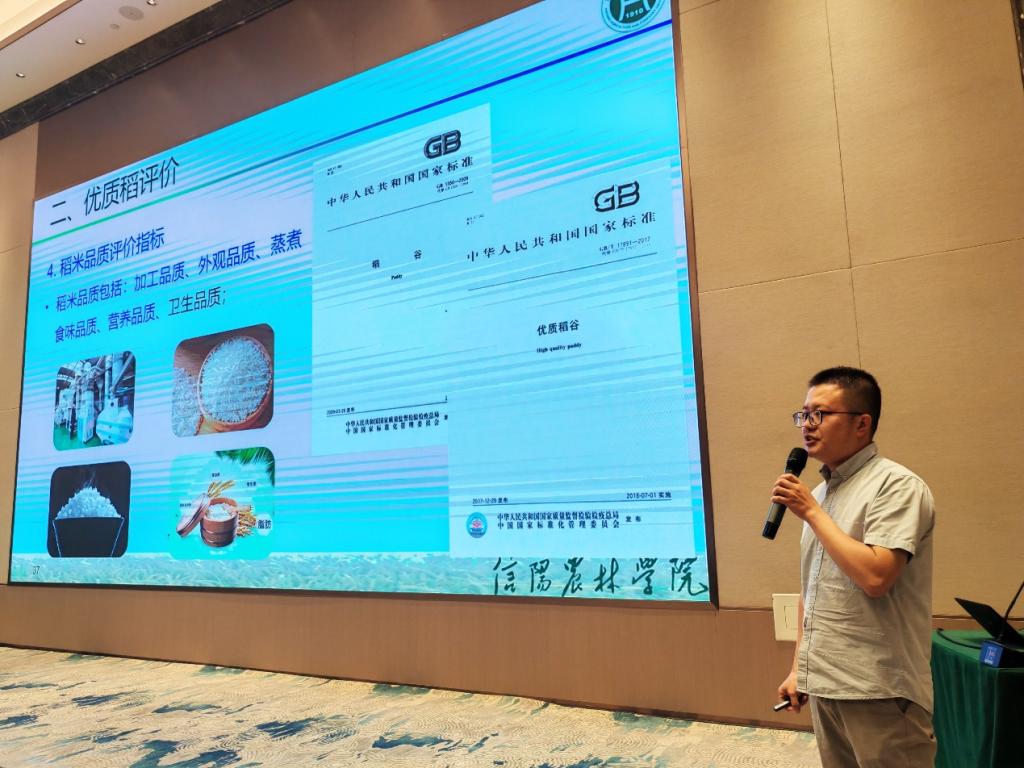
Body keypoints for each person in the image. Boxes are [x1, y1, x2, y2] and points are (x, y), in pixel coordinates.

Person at [773, 366, 936, 768]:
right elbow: (812, 589)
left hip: (879, 688)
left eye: (820, 414)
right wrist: (799, 669)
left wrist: (812, 513)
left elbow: (876, 576)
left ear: (862, 424)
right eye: (803, 414)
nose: (807, 425)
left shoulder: (896, 485)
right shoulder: (819, 493)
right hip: (826, 682)